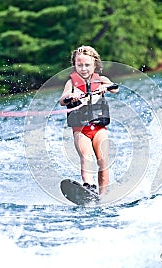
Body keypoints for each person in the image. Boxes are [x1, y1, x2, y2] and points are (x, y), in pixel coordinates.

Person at [59, 46, 119, 195]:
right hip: (81, 130)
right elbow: (62, 100)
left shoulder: (101, 80)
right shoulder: (71, 83)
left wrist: (106, 87)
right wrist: (70, 97)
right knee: (86, 156)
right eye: (80, 65)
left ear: (94, 65)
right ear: (75, 65)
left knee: (103, 160)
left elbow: (115, 88)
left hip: (99, 128)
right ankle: (89, 186)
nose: (83, 68)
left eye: (87, 65)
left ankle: (102, 195)